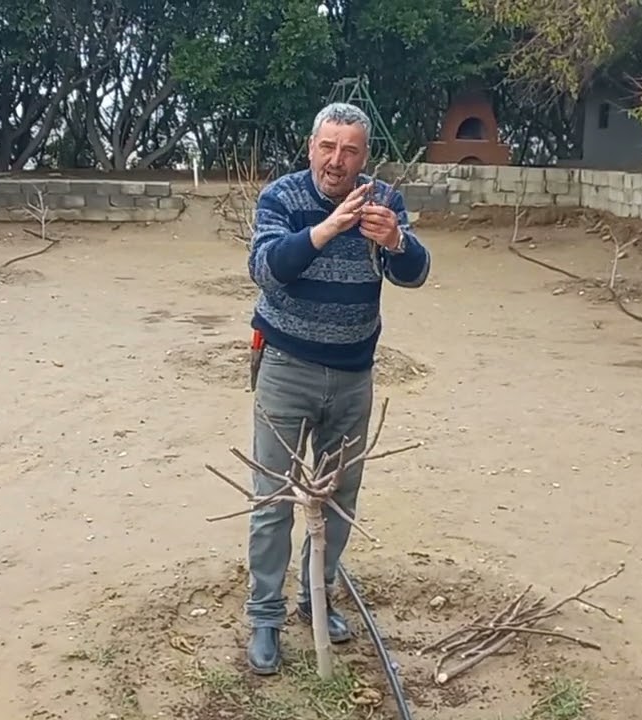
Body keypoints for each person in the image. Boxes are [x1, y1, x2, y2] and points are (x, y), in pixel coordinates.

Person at [242, 101, 431, 675]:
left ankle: (316, 598)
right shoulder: (282, 197)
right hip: (286, 366)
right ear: (311, 148)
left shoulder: (383, 201)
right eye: (328, 147)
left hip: (354, 374)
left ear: (363, 156)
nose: (337, 160)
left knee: (339, 500)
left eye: (349, 150)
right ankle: (265, 618)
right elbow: (267, 268)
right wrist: (326, 229)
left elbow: (415, 274)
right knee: (273, 499)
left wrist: (396, 240)